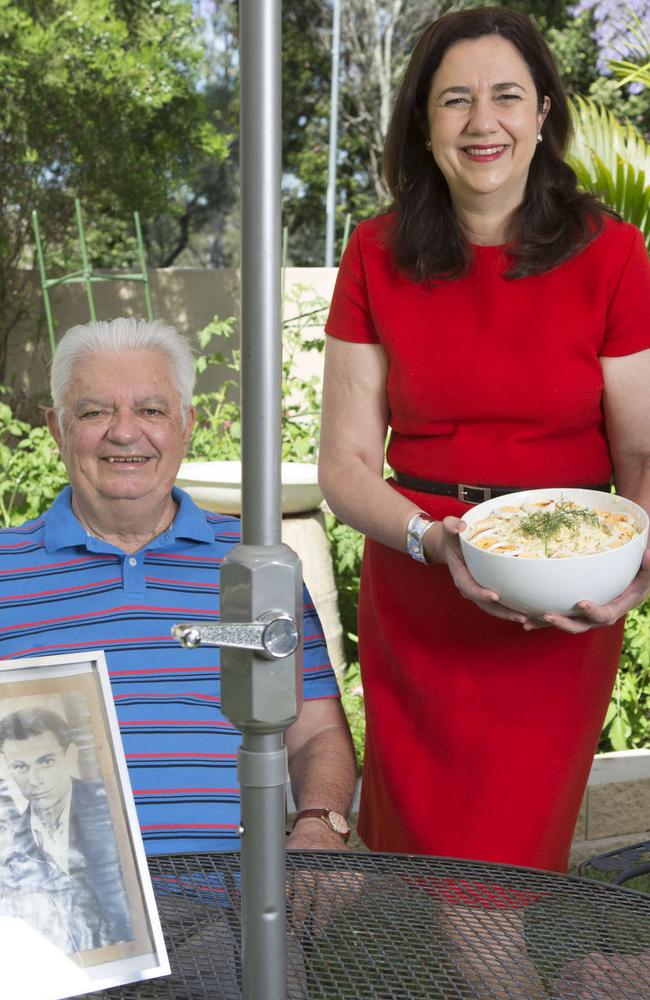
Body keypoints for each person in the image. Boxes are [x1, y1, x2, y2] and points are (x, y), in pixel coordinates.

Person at [319, 6, 650, 871]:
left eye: (506, 96)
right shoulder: (374, 254)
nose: (481, 122)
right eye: (454, 100)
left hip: (562, 610)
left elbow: (645, 457)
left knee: (501, 879)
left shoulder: (614, 256)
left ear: (543, 114)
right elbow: (346, 467)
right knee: (421, 878)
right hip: (421, 589)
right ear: (423, 126)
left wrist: (642, 565)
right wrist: (434, 542)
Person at [0, 317, 356, 857]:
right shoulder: (6, 568)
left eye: (151, 410)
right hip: (52, 910)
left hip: (232, 904)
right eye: (95, 411)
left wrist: (320, 823)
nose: (124, 432)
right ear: (57, 428)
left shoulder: (255, 565)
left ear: (185, 425)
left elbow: (316, 735)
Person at [0, 707, 130, 945]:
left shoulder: (111, 806)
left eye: (46, 761)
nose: (34, 780)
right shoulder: (11, 837)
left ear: (70, 755)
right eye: (20, 766)